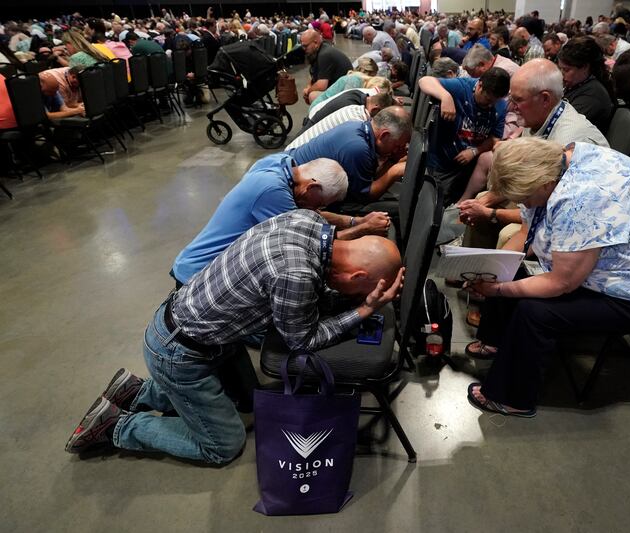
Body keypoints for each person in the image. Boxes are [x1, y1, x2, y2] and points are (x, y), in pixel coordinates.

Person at [65, 209, 404, 463]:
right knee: (222, 446)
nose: (360, 296)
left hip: (201, 334)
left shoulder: (308, 222)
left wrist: (358, 299)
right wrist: (362, 310)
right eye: (363, 288)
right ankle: (117, 426)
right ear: (358, 273)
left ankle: (137, 390)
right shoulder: (297, 273)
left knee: (246, 400)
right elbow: (301, 341)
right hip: (181, 354)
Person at [464, 137, 630, 416]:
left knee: (535, 312)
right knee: (513, 272)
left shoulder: (583, 199)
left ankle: (512, 398)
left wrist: (497, 289)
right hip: (627, 265)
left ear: (545, 184)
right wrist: (499, 269)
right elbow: (527, 231)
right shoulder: (562, 159)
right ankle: (497, 341)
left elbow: (561, 283)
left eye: (525, 198)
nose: (523, 203)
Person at [171, 155, 389, 286]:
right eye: (320, 202)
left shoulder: (282, 165)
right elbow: (310, 244)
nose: (318, 209)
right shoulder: (272, 191)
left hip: (199, 264)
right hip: (199, 276)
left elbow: (310, 217)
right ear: (312, 186)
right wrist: (363, 229)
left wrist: (355, 221)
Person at [458, 59, 609, 248]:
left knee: (505, 232)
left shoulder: (569, 142)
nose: (511, 107)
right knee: (482, 199)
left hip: (577, 220)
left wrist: (492, 214)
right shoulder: (537, 116)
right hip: (543, 198)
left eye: (518, 100)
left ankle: (492, 274)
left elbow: (550, 212)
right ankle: (470, 270)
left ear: (545, 98)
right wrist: (487, 200)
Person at [418, 68, 509, 205]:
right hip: (441, 161)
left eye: (495, 101)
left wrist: (474, 151)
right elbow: (424, 81)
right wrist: (445, 96)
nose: (490, 105)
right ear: (479, 85)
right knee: (432, 203)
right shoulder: (462, 87)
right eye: (488, 99)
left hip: (468, 164)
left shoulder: (500, 105)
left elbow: (495, 138)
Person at [288, 106, 411, 208]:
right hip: (293, 193)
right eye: (397, 146)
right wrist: (394, 171)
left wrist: (392, 160)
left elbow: (370, 178)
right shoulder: (357, 148)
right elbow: (365, 196)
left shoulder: (358, 127)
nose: (398, 150)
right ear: (384, 135)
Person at [288, 92, 394, 150]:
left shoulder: (357, 95)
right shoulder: (355, 116)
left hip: (308, 131)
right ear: (375, 109)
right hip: (304, 144)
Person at [557, 36, 615, 132]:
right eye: (560, 68)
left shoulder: (593, 95)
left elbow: (563, 127)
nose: (561, 74)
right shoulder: (578, 84)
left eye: (566, 70)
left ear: (585, 67)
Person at [299, 29, 351, 104]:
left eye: (305, 46)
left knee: (313, 95)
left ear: (315, 43)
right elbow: (315, 76)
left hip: (345, 92)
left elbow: (321, 85)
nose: (303, 49)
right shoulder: (321, 49)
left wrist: (308, 91)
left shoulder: (324, 55)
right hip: (337, 87)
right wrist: (309, 86)